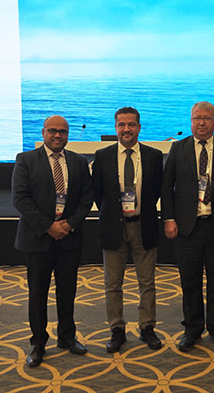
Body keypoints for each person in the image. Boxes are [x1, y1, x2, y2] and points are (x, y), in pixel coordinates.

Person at [161, 101, 214, 352]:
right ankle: (192, 328)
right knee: (190, 281)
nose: (201, 123)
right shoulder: (178, 148)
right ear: (191, 121)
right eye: (197, 118)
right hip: (188, 228)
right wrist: (168, 218)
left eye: (206, 118)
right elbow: (167, 187)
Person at [12, 115, 93, 368]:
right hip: (38, 239)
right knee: (38, 293)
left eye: (63, 132)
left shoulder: (79, 162)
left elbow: (87, 197)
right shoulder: (26, 160)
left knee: (68, 291)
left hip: (69, 237)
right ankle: (38, 343)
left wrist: (69, 224)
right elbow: (20, 198)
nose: (58, 135)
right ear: (44, 132)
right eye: (53, 131)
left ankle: (67, 337)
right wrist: (49, 227)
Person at [92, 107, 163, 352]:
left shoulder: (154, 156)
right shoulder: (102, 156)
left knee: (147, 282)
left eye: (131, 124)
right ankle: (117, 330)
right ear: (115, 128)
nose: (126, 129)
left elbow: (157, 191)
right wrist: (115, 212)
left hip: (144, 225)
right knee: (113, 284)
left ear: (139, 127)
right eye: (121, 125)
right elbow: (98, 193)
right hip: (113, 227)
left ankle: (147, 327)